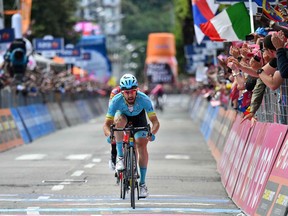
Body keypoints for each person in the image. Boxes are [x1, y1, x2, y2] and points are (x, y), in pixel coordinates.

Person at [103, 73, 160, 198]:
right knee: (118, 121)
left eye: (132, 92)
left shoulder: (144, 99)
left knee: (141, 144)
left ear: (137, 90)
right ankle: (120, 158)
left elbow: (155, 122)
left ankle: (143, 184)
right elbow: (106, 124)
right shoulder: (116, 99)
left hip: (139, 119)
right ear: (122, 92)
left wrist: (152, 133)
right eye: (127, 92)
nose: (130, 95)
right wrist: (109, 135)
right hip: (123, 117)